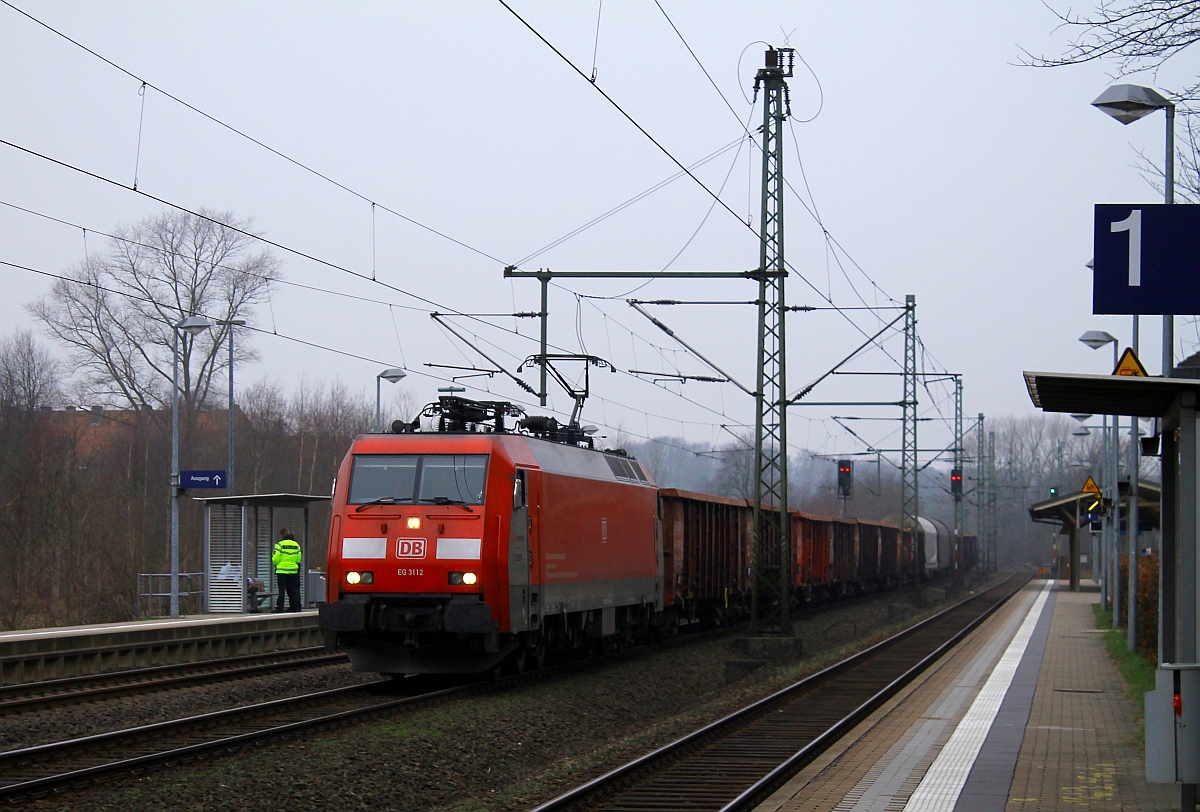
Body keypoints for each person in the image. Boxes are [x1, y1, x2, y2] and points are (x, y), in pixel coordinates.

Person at [272, 528, 303, 612]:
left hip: (282, 571)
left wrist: (277, 564)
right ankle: (295, 607)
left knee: (282, 590)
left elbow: (275, 559)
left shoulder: (279, 545)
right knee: (294, 589)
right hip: (293, 571)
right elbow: (298, 559)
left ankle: (280, 607)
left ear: (282, 535)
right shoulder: (296, 545)